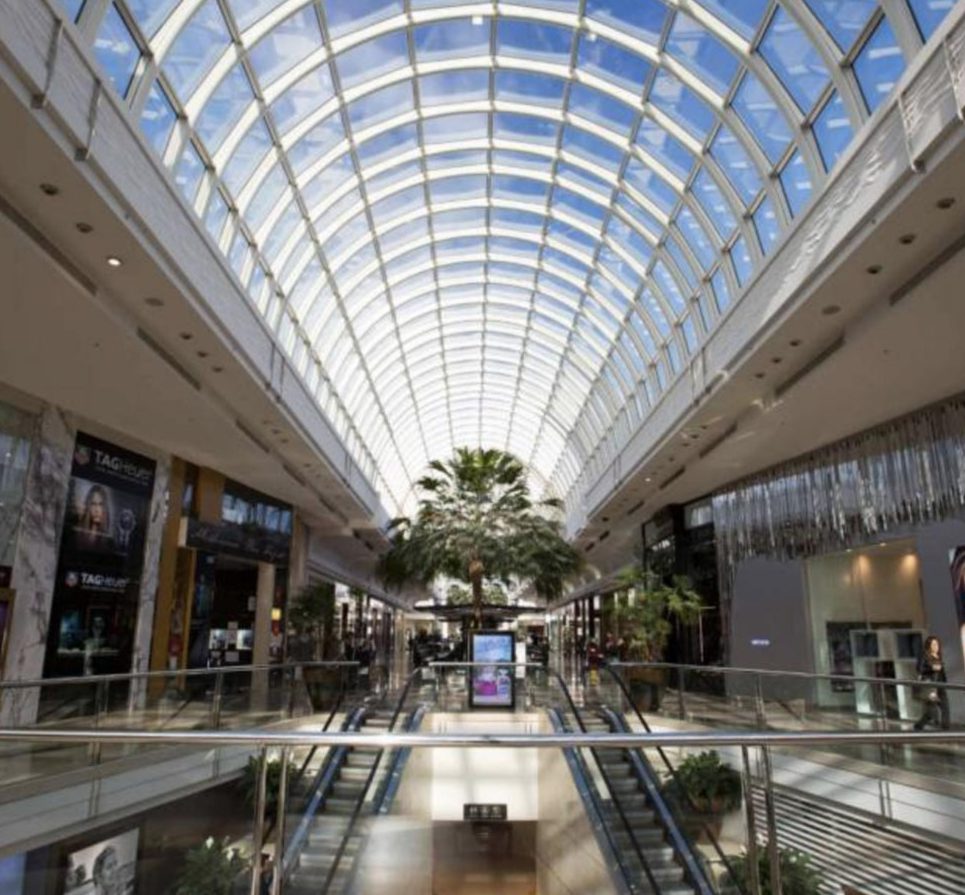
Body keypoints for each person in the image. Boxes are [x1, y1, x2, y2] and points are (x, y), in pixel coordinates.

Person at [914, 635, 950, 731]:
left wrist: (945, 682)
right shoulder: (924, 656)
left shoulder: (939, 656)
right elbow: (919, 669)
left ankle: (946, 730)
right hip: (930, 686)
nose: (936, 646)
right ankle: (918, 726)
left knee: (945, 708)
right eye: (933, 644)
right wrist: (931, 668)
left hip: (940, 685)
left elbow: (941, 672)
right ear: (929, 646)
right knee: (932, 712)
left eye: (937, 644)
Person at [74, 484, 115, 553]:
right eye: (93, 504)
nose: (97, 510)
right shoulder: (76, 536)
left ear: (104, 508)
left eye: (100, 504)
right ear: (88, 506)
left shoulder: (110, 543)